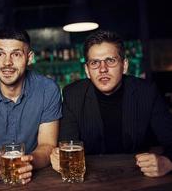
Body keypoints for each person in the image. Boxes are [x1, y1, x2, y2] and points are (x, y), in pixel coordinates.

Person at [50, 30, 172, 177]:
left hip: (138, 176)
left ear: (124, 65)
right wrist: (60, 159)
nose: (103, 69)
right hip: (90, 179)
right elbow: (68, 146)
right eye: (95, 63)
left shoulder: (147, 92)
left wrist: (168, 162)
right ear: (87, 70)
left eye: (110, 60)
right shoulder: (72, 94)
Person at [0, 28, 62, 184]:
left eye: (16, 54)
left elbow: (47, 144)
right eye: (0, 54)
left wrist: (30, 161)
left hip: (37, 181)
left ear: (29, 58)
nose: (7, 62)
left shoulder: (48, 90)